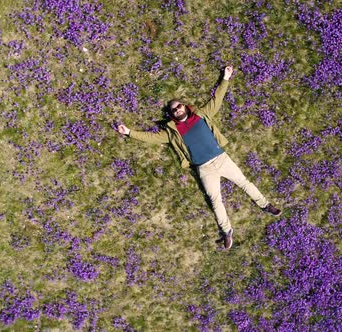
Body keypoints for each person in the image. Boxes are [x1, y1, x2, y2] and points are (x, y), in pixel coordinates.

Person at [115, 66, 281, 250]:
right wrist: (129, 132)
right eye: (174, 110)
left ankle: (265, 205)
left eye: (179, 106)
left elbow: (217, 100)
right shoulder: (172, 132)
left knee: (244, 182)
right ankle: (227, 232)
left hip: (221, 158)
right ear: (172, 115)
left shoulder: (202, 114)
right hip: (204, 168)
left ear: (185, 106)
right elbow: (152, 138)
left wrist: (225, 78)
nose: (177, 109)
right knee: (215, 200)